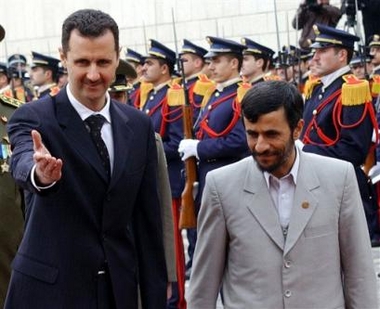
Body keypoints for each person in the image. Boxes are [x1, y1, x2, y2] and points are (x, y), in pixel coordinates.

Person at [4, 9, 167, 309]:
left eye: (103, 62)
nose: (94, 74)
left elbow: (147, 225)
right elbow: (23, 160)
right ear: (63, 57)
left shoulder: (138, 126)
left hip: (117, 292)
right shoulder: (35, 117)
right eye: (82, 62)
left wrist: (155, 298)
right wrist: (40, 176)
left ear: (117, 58)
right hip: (51, 293)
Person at [187, 80, 378, 308]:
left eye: (271, 134)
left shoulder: (338, 178)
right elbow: (203, 284)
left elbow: (359, 271)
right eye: (252, 134)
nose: (260, 146)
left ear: (297, 129)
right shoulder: (221, 185)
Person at [300, 23, 380, 246]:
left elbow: (353, 150)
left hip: (341, 187)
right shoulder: (317, 89)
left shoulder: (352, 89)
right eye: (314, 51)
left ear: (342, 54)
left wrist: (304, 151)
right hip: (315, 184)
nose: (314, 57)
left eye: (322, 51)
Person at [178, 36, 250, 280]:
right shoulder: (215, 95)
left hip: (231, 179)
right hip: (209, 179)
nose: (210, 67)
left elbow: (240, 141)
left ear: (233, 63)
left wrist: (199, 149)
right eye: (209, 61)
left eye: (216, 61)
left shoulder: (241, 94)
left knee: (236, 251)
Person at [107, 61, 177, 305]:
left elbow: (162, 212)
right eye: (111, 96)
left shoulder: (148, 138)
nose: (117, 102)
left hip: (135, 257)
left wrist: (167, 271)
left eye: (121, 95)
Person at [140, 39, 186, 309]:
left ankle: (177, 299)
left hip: (167, 178)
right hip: (154, 180)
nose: (143, 67)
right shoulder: (153, 94)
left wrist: (145, 152)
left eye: (150, 63)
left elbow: (175, 142)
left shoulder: (173, 94)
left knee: (173, 247)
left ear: (165, 68)